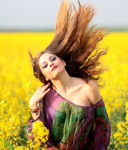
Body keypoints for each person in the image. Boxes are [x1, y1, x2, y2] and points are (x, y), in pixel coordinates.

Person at [26, 0, 111, 149]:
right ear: (45, 76)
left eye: (53, 59)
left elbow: (102, 127)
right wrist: (33, 107)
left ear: (63, 61)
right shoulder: (44, 96)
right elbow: (39, 140)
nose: (50, 63)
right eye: (45, 65)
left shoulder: (88, 87)